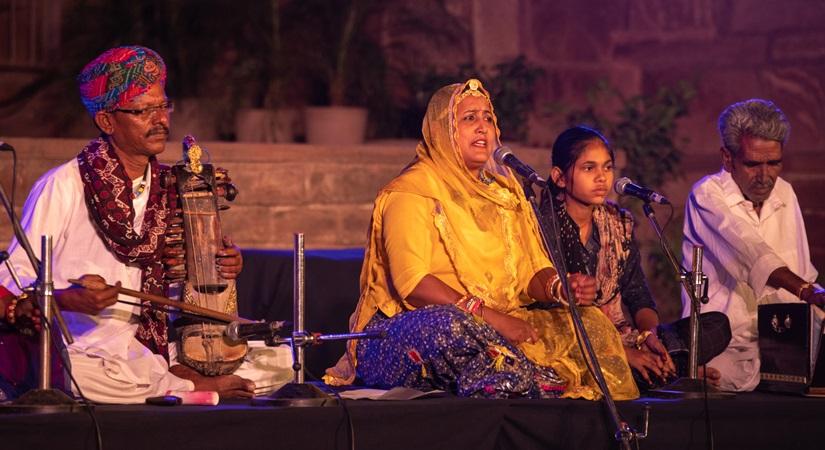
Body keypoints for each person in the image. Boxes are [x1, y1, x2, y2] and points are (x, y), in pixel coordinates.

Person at [324, 79, 638, 400]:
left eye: (488, 118)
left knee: (589, 321)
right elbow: (412, 283)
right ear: (442, 129)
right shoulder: (411, 191)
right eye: (469, 118)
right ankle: (522, 377)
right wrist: (494, 319)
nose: (483, 127)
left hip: (497, 321)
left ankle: (538, 383)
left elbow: (530, 272)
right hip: (407, 330)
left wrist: (560, 287)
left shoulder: (504, 192)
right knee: (452, 326)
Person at [0, 46, 257, 403]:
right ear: (107, 121)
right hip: (82, 351)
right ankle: (184, 388)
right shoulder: (63, 186)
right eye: (142, 111)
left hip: (150, 347)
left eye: (163, 106)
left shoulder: (173, 185)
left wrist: (226, 265)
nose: (161, 120)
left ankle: (173, 384)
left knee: (274, 359)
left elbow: (195, 271)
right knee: (80, 379)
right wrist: (68, 300)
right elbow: (10, 284)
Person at [541, 126, 730, 389]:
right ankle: (674, 372)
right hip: (572, 340)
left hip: (624, 335)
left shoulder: (618, 223)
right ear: (560, 177)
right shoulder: (541, 224)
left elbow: (637, 293)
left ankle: (662, 367)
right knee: (575, 359)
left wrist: (648, 336)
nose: (601, 178)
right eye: (589, 168)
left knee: (717, 326)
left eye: (607, 168)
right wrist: (621, 354)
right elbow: (551, 315)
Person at [682, 98, 824, 392]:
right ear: (727, 158)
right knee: (713, 379)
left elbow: (803, 271)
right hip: (725, 349)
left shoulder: (785, 193)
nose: (765, 176)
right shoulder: (707, 196)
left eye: (774, 163)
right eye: (753, 164)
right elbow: (752, 253)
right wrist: (806, 290)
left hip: (784, 346)